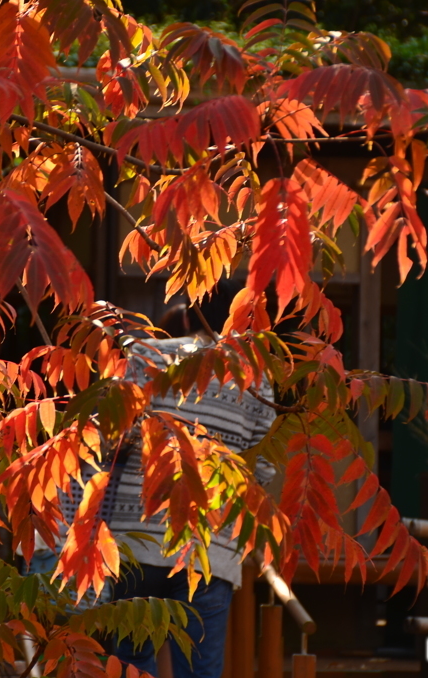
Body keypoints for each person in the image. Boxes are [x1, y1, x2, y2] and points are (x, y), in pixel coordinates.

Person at [109, 285, 276, 678]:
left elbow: (111, 436)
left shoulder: (148, 356)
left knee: (129, 665)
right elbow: (263, 467)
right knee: (198, 672)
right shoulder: (255, 378)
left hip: (137, 540)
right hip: (211, 548)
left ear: (187, 316)